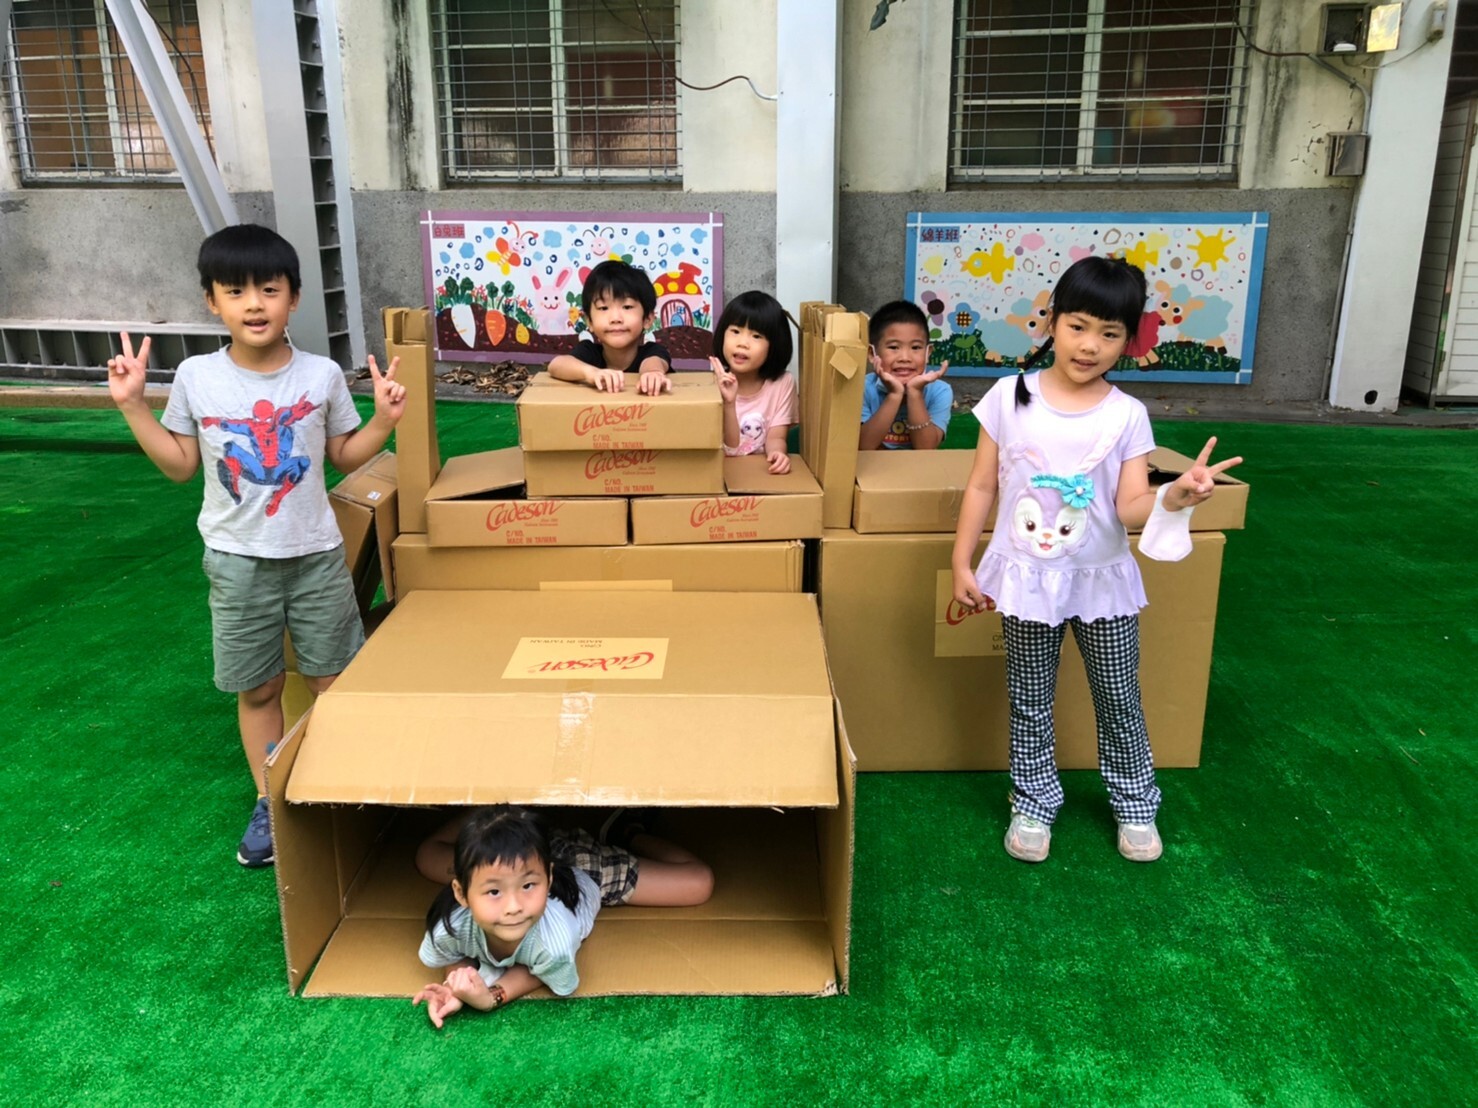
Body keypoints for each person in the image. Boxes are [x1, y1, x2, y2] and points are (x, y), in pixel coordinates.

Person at [105, 223, 406, 868]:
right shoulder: (196, 376)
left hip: (316, 555)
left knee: (335, 681)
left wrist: (383, 420)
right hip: (237, 562)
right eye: (235, 291)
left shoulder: (321, 375)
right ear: (212, 301)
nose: (254, 304)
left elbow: (343, 455)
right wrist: (133, 406)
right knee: (260, 688)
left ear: (293, 297)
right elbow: (181, 465)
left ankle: (347, 783)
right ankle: (271, 800)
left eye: (269, 290)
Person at [949, 256, 1241, 865]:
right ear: (1052, 322)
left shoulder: (1127, 414)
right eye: (1078, 326)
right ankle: (1033, 801)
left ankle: (1135, 804)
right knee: (1030, 698)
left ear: (1128, 341)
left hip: (1102, 583)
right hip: (1026, 581)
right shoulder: (1007, 397)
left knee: (1118, 695)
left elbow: (1130, 506)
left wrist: (1174, 496)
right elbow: (981, 485)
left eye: (1109, 334)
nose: (1090, 346)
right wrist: (961, 562)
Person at [412, 805, 714, 1027]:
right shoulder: (450, 925)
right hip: (510, 861)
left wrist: (491, 997)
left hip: (582, 872)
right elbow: (453, 953)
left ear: (548, 878)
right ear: (461, 893)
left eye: (528, 888)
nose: (513, 906)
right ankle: (500, 818)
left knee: (700, 882)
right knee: (426, 856)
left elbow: (541, 971)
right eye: (494, 893)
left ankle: (627, 833)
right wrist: (457, 986)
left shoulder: (554, 943)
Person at [546, 260, 673, 396]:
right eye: (603, 308)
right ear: (589, 321)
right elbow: (556, 365)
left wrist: (652, 373)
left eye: (627, 307)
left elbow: (653, 362)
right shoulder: (589, 351)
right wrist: (591, 373)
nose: (615, 318)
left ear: (647, 319)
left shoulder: (652, 351)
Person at [708, 290, 796, 475]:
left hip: (760, 475)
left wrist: (778, 454)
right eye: (735, 331)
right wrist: (729, 404)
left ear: (775, 345)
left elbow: (776, 437)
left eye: (756, 336)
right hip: (722, 474)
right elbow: (731, 449)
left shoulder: (782, 383)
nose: (742, 343)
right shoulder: (711, 384)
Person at [859, 300, 951, 450]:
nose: (905, 358)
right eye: (894, 347)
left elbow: (926, 449)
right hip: (875, 464)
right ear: (872, 353)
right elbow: (864, 447)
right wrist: (895, 394)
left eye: (915, 347)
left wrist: (915, 392)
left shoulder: (940, 391)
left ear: (928, 353)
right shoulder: (862, 388)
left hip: (918, 464)